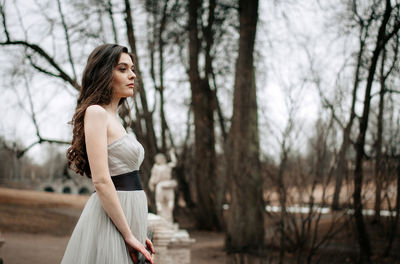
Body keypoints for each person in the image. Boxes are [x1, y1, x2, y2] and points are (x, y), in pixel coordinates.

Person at [61, 44, 154, 264]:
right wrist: (128, 234)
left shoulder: (117, 119)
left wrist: (139, 229)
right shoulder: (96, 112)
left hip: (129, 216)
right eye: (122, 69)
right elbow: (102, 180)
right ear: (104, 73)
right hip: (110, 220)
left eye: (132, 69)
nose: (132, 75)